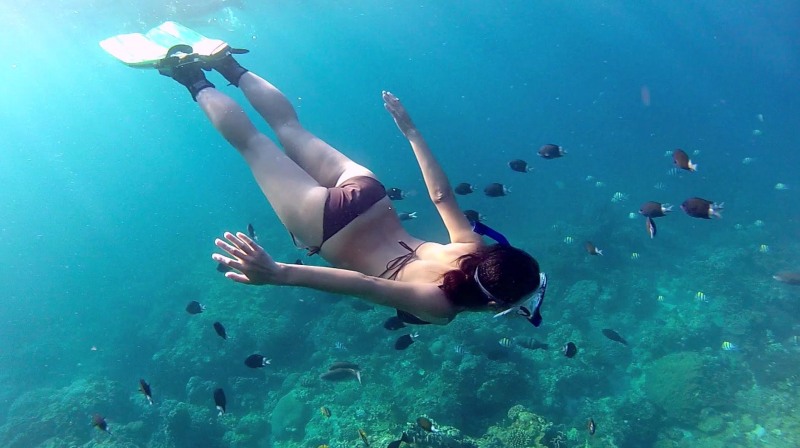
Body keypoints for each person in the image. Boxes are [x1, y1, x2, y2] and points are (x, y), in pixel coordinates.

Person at [157, 45, 543, 326]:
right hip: (326, 225)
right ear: (495, 306)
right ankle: (190, 75)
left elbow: (441, 197)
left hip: (370, 196)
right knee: (253, 145)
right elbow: (362, 284)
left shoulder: (472, 248)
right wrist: (279, 274)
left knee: (290, 128)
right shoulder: (441, 307)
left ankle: (228, 65)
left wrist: (412, 134)